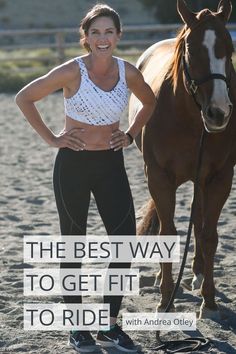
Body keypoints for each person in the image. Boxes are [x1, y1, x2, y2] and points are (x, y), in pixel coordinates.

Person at [15, 3, 156, 353]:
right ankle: (78, 327)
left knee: (124, 242)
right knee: (73, 245)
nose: (103, 38)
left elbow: (150, 102)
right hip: (72, 166)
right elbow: (24, 97)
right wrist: (52, 138)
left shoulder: (129, 72)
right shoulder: (71, 71)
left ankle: (108, 325)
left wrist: (131, 134)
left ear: (118, 36)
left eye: (109, 31)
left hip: (110, 165)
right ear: (86, 38)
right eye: (95, 32)